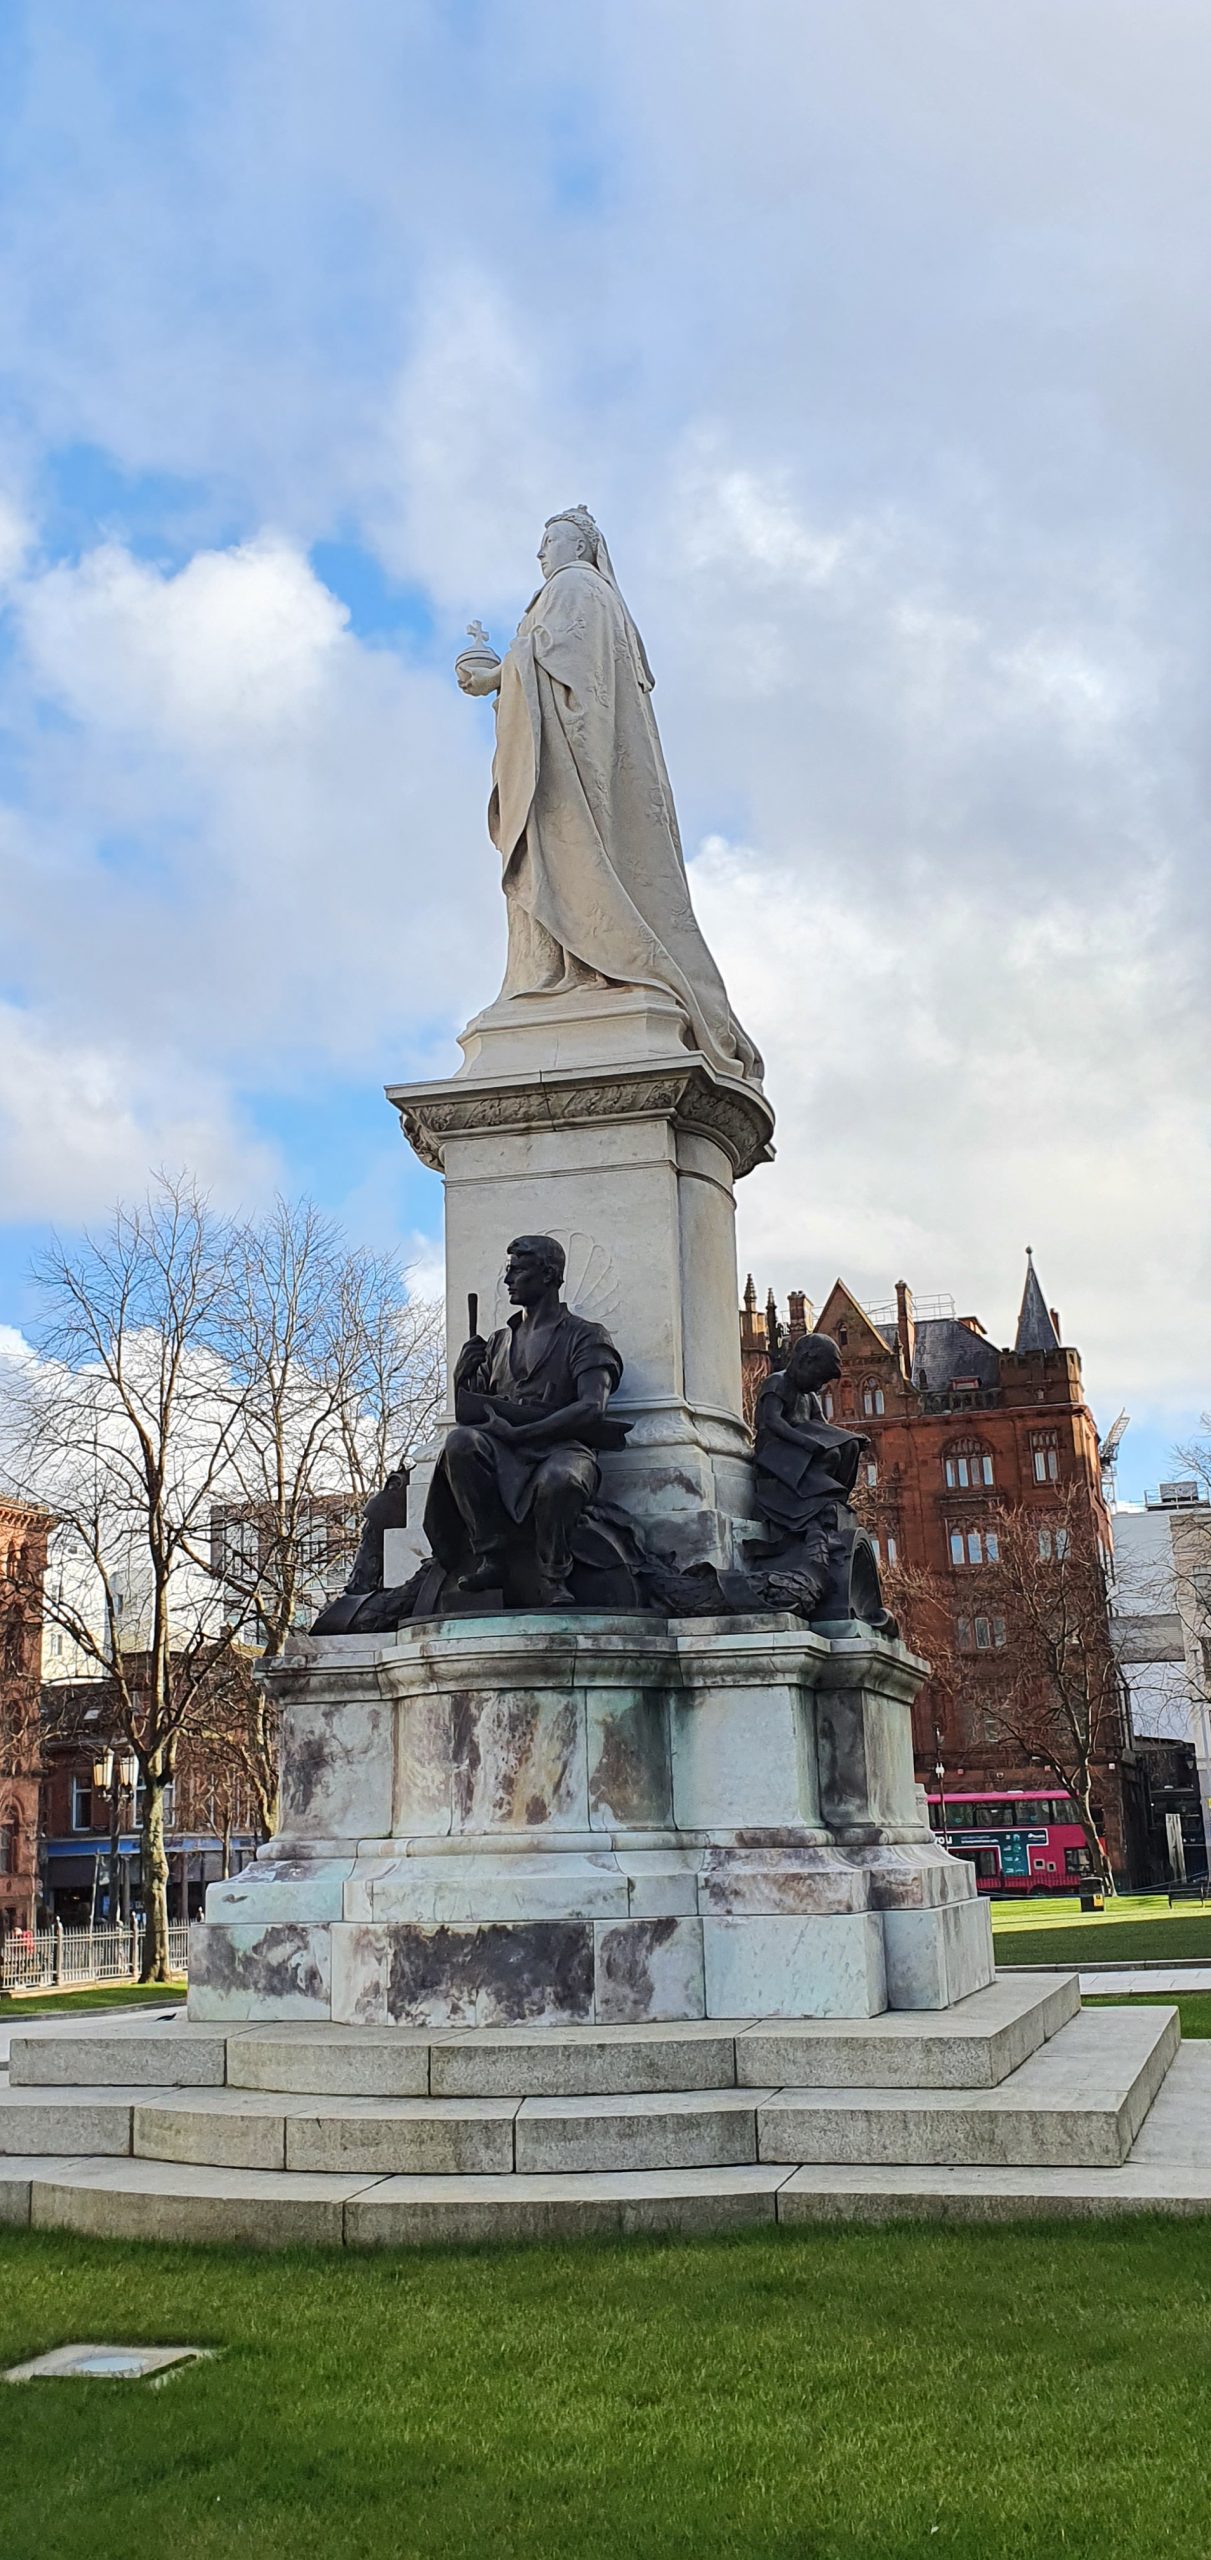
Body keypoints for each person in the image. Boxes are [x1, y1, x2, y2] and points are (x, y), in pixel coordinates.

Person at [457, 506, 762, 1086]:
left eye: (551, 540)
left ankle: (583, 972)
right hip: (579, 763)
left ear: (580, 547)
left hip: (567, 772)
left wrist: (498, 675)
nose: (541, 553)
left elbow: (563, 665)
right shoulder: (592, 598)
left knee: (569, 859)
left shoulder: (575, 585)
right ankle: (569, 973)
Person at [422, 1234, 629, 1609]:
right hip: (505, 1449)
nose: (507, 1280)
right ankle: (491, 1556)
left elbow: (592, 1408)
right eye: (509, 1270)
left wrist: (524, 1431)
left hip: (563, 1448)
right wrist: (460, 1376)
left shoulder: (585, 1335)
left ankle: (553, 1575)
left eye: (517, 1270)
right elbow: (470, 1413)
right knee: (460, 1443)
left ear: (548, 1275)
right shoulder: (498, 1342)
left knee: (561, 1479)